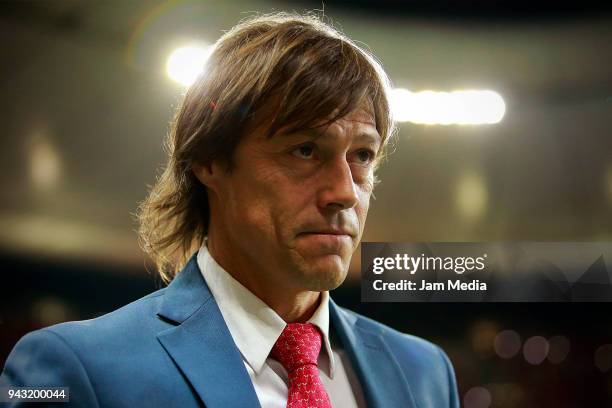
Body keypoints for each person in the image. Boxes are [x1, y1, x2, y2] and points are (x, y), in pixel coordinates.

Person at [0, 13, 459, 408]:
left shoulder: (425, 373)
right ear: (209, 161)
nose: (344, 192)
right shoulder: (74, 369)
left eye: (362, 156)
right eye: (304, 150)